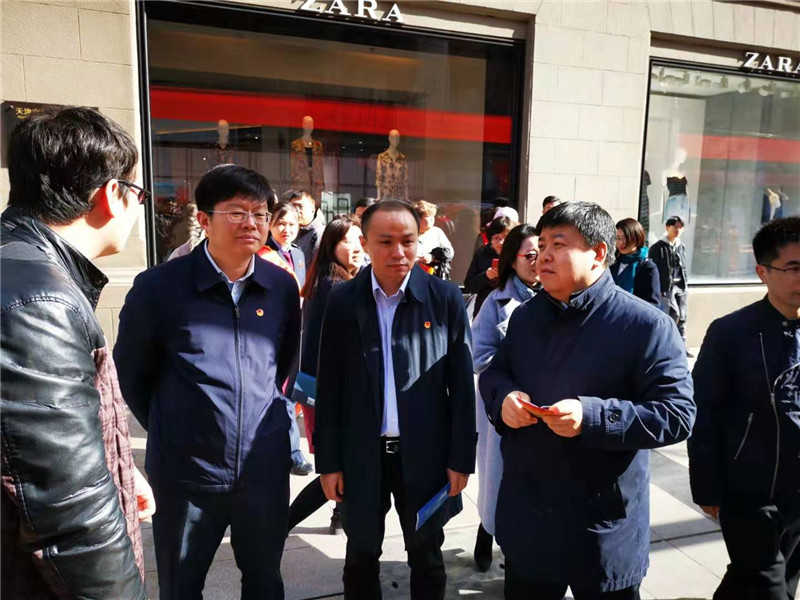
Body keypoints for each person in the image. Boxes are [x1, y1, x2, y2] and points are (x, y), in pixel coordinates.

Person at [480, 201, 695, 600]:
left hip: (601, 525)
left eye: (558, 245)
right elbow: (494, 374)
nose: (542, 255)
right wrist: (503, 398)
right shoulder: (526, 317)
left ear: (598, 253)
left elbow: (676, 414)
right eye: (541, 245)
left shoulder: (646, 325)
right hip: (530, 516)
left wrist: (592, 417)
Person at [114, 164, 301, 600]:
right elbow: (132, 374)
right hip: (187, 476)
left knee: (265, 583)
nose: (252, 223)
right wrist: (177, 427)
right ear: (203, 219)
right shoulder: (159, 287)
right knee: (181, 587)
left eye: (260, 213)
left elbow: (283, 367)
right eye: (237, 212)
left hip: (262, 470)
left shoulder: (280, 286)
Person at [1, 106, 151, 598]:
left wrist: (120, 469)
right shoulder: (40, 301)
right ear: (111, 195)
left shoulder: (23, 267)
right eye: (139, 194)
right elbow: (71, 510)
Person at [315, 200, 476, 599]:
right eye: (385, 242)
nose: (399, 252)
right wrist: (329, 462)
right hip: (360, 455)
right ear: (365, 243)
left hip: (426, 455)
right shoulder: (343, 301)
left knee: (427, 555)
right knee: (360, 554)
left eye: (408, 241)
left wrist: (460, 458)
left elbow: (461, 387)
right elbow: (329, 388)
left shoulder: (444, 298)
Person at [688, 216, 800, 600]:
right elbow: (704, 413)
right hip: (747, 492)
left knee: (769, 579)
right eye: (793, 268)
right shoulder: (730, 332)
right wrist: (706, 486)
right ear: (763, 272)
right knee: (770, 586)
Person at [287, 216, 365, 535]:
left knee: (341, 464)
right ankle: (281, 525)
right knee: (338, 467)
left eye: (359, 239)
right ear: (331, 246)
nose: (356, 247)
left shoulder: (327, 280)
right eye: (347, 241)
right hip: (332, 392)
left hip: (315, 387)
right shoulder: (338, 287)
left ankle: (338, 516)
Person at [471, 224, 540, 573]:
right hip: (503, 406)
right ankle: (486, 533)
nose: (538, 261)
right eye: (530, 255)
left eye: (542, 252)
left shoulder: (556, 295)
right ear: (512, 260)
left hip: (542, 413)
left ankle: (520, 551)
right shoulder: (496, 301)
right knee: (497, 480)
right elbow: (478, 355)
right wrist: (514, 377)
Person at [257, 202, 311, 476]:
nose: (286, 229)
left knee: (292, 393)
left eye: (291, 224)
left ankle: (289, 449)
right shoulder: (262, 254)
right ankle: (292, 452)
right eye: (280, 223)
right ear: (270, 224)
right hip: (271, 333)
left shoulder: (299, 254)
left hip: (298, 330)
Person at [650, 216, 689, 351]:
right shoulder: (658, 247)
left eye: (680, 227)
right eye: (675, 227)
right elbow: (654, 269)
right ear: (668, 227)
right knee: (673, 313)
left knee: (682, 316)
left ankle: (682, 346)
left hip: (681, 285)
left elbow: (683, 266)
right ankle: (668, 343)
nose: (678, 230)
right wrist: (658, 287)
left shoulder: (681, 246)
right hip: (667, 287)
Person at [464, 216, 516, 318]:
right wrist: (486, 276)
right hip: (484, 310)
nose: (501, 242)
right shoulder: (482, 254)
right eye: (496, 238)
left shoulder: (516, 255)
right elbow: (469, 285)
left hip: (511, 308)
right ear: (490, 238)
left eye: (505, 238)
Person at [610, 218, 660, 306]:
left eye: (625, 238)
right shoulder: (612, 261)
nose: (621, 243)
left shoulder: (648, 268)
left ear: (637, 238)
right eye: (618, 238)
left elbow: (653, 304)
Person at [414, 199, 454, 279]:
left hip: (433, 275)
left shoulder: (437, 232)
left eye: (433, 216)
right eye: (428, 216)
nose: (432, 219)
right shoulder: (408, 233)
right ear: (418, 218)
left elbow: (450, 252)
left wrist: (432, 257)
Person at [289, 189, 326, 267]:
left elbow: (318, 267)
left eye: (300, 206)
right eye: (293, 206)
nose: (296, 210)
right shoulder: (290, 232)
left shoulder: (319, 233)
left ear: (313, 209)